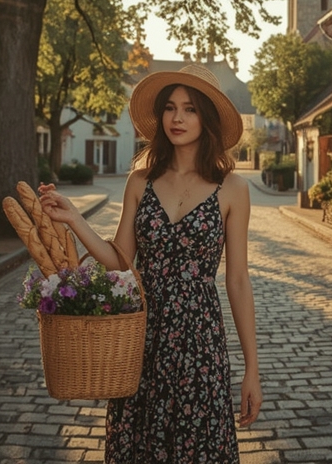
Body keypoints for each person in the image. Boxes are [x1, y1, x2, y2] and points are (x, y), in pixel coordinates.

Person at [39, 64, 261, 462]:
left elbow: (239, 281)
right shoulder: (140, 180)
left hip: (200, 344)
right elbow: (120, 263)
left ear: (206, 118)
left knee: (199, 446)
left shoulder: (234, 189)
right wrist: (74, 218)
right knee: (140, 444)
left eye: (190, 109)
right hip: (141, 337)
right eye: (171, 108)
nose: (177, 118)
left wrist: (252, 369)